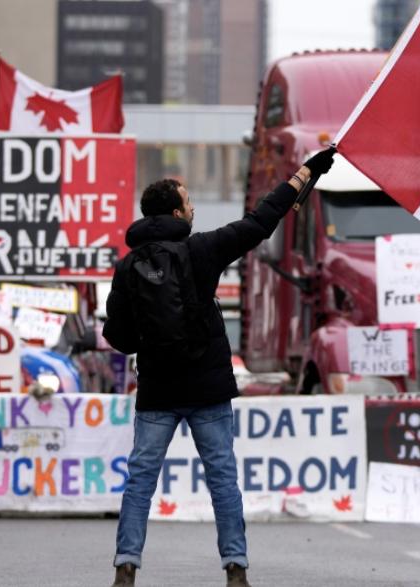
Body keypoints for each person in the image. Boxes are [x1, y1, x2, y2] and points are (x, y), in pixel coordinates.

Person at [103, 147, 337, 587]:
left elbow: (116, 335)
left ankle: (126, 566)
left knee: (140, 481)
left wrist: (151, 339)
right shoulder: (202, 250)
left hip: (157, 392)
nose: (193, 208)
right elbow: (260, 222)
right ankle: (236, 568)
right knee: (223, 480)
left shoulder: (127, 266)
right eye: (188, 202)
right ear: (176, 212)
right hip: (208, 389)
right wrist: (305, 173)